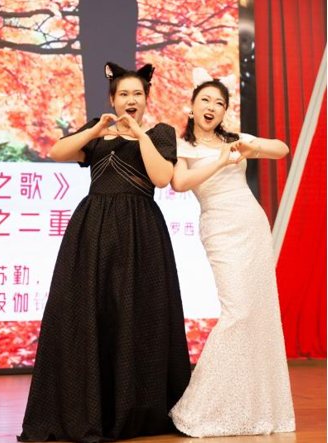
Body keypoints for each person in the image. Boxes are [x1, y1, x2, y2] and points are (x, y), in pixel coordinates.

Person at [18, 62, 191, 442]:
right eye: (124, 94)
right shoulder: (97, 131)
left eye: (138, 94)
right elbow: (57, 152)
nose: (131, 100)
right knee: (88, 313)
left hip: (140, 232)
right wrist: (97, 129)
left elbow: (162, 178)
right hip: (92, 230)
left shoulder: (159, 133)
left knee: (137, 313)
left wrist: (139, 135)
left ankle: (134, 410)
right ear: (112, 99)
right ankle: (91, 409)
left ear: (146, 99)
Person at [168, 68, 295, 437]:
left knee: (259, 313)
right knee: (237, 312)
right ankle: (199, 407)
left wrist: (251, 148)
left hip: (252, 223)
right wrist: (220, 161)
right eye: (205, 100)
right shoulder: (182, 146)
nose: (211, 107)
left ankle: (251, 407)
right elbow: (179, 182)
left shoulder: (235, 139)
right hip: (220, 228)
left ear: (225, 111)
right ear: (192, 106)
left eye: (219, 103)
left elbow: (282, 149)